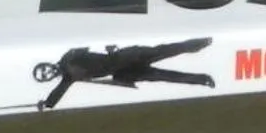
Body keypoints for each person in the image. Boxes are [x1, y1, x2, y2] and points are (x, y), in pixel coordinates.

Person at [33, 39, 215, 104]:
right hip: (124, 73)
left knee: (163, 50)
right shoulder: (68, 77)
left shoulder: (69, 56)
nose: (47, 73)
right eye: (45, 76)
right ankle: (203, 80)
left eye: (44, 70)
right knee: (162, 75)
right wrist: (48, 103)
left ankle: (198, 43)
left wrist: (110, 47)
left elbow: (89, 44)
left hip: (124, 57)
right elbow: (58, 92)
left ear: (46, 65)